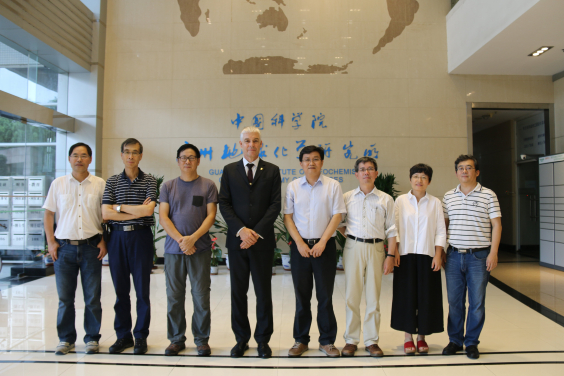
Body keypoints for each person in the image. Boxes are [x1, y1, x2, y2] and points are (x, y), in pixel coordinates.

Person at [218, 126, 281, 358]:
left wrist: (254, 234)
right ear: (240, 144)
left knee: (263, 293)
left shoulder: (272, 170)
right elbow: (223, 203)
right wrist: (242, 231)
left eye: (255, 141)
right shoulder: (229, 170)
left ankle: (263, 340)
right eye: (247, 141)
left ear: (261, 144)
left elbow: (275, 205)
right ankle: (241, 339)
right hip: (237, 243)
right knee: (238, 292)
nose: (251, 144)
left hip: (262, 243)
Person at [43, 142, 107, 355]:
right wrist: (51, 242)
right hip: (64, 249)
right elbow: (49, 214)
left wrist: (103, 239)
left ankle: (92, 338)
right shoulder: (58, 184)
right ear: (69, 159)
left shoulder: (100, 184)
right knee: (65, 298)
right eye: (75, 155)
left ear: (90, 159)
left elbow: (105, 216)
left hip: (91, 247)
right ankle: (66, 339)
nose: (79, 159)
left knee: (92, 297)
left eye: (83, 155)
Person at [283, 145, 347, 358]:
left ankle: (327, 341)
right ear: (301, 163)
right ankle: (300, 340)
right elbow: (288, 218)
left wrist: (322, 242)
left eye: (316, 159)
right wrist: (300, 243)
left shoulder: (333, 186)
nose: (311, 162)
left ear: (322, 162)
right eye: (307, 159)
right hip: (300, 248)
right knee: (302, 297)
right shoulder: (293, 186)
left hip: (324, 247)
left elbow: (337, 216)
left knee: (325, 296)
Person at [159, 144, 218, 356]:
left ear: (198, 161)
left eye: (191, 157)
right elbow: (163, 216)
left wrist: (192, 239)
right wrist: (182, 241)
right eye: (183, 158)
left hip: (200, 249)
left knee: (201, 295)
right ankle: (176, 339)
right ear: (177, 161)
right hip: (174, 251)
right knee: (174, 296)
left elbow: (210, 216)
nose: (187, 161)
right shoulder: (168, 186)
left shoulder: (208, 185)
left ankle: (202, 340)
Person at [442, 155, 502, 360]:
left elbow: (497, 225)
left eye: (469, 168)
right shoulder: (448, 196)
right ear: (456, 172)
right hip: (453, 255)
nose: (464, 171)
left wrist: (493, 252)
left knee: (477, 302)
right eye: (460, 168)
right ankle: (455, 340)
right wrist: (441, 251)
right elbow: (444, 226)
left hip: (479, 256)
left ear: (477, 172)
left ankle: (471, 342)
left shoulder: (488, 195)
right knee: (454, 301)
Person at [101, 138, 157, 355]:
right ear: (122, 155)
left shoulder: (150, 181)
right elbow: (105, 214)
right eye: (127, 152)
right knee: (120, 291)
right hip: (116, 240)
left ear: (141, 156)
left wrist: (119, 208)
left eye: (135, 152)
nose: (131, 156)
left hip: (140, 238)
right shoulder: (112, 181)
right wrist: (134, 210)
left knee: (142, 291)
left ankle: (141, 336)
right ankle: (123, 336)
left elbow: (148, 211)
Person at [339, 156, 397, 357]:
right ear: (356, 174)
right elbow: (338, 221)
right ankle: (351, 340)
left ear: (376, 173)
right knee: (351, 296)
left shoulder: (386, 199)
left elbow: (391, 229)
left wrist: (390, 255)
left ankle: (372, 341)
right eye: (362, 169)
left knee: (373, 297)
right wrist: (351, 236)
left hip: (376, 249)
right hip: (353, 247)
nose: (366, 172)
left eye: (370, 169)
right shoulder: (347, 197)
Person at [392, 164, 446, 354]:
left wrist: (438, 255)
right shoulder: (400, 201)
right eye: (415, 176)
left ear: (429, 181)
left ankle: (422, 336)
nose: (419, 180)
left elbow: (440, 230)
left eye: (423, 177)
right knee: (406, 296)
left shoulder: (435, 203)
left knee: (426, 297)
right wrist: (395, 251)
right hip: (404, 255)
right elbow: (394, 229)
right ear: (410, 179)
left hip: (427, 255)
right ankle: (408, 337)